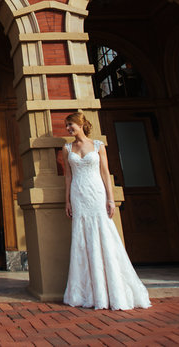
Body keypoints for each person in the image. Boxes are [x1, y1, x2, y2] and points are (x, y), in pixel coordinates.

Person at [62, 111, 150, 310]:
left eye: (71, 125)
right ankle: (87, 290)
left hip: (96, 193)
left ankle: (111, 289)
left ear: (81, 124)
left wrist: (111, 199)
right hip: (78, 194)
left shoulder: (98, 146)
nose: (68, 129)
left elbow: (105, 173)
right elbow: (67, 176)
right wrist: (66, 200)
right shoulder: (67, 148)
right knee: (82, 239)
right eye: (67, 126)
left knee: (104, 235)